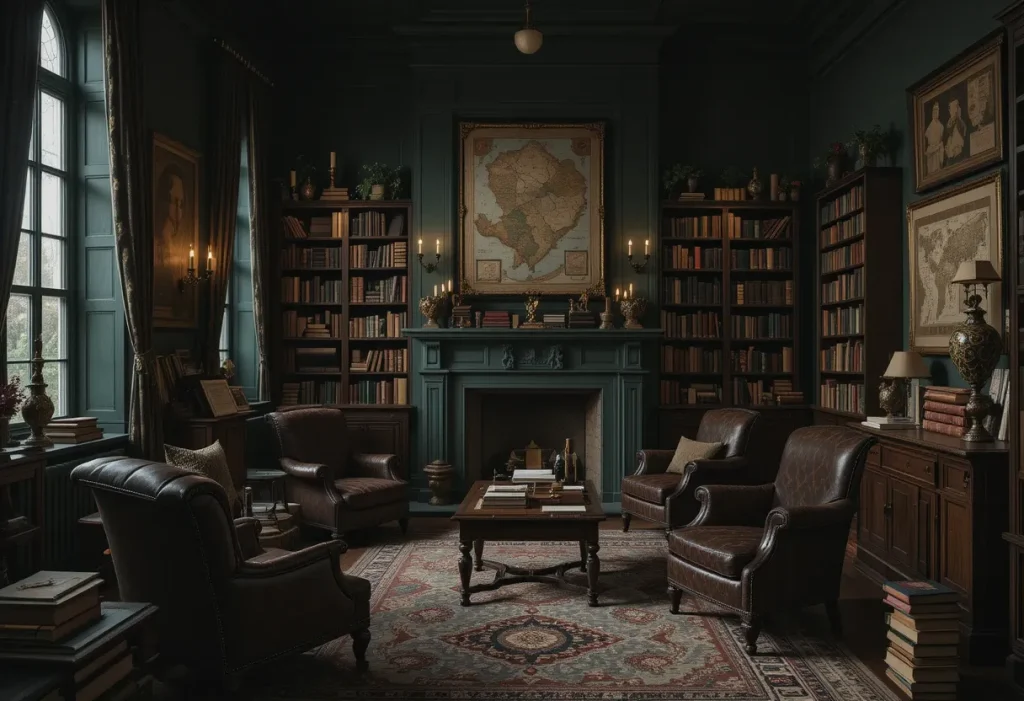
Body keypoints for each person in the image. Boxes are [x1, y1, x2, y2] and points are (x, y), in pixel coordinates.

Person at [154, 163, 189, 317]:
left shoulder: (182, 261)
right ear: (160, 201)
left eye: (180, 204)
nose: (176, 212)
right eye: (172, 201)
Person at [924, 101, 944, 176]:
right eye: (934, 111)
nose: (935, 113)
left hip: (938, 152)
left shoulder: (941, 126)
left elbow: (940, 139)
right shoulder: (930, 127)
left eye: (937, 111)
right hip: (931, 151)